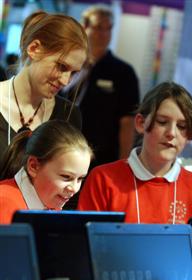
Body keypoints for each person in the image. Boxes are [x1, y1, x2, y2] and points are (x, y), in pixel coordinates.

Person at [78, 81, 192, 224]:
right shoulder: (103, 179)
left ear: (189, 135)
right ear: (140, 123)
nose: (171, 133)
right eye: (162, 122)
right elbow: (87, 241)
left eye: (182, 126)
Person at [0, 10, 89, 167]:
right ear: (34, 48)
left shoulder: (68, 114)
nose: (66, 81)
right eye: (61, 66)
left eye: (73, 73)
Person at [62, 4, 140, 168]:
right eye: (98, 27)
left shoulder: (123, 72)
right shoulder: (70, 65)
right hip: (62, 149)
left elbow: (128, 122)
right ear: (85, 28)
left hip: (101, 159)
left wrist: (123, 163)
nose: (103, 34)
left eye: (108, 28)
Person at [0, 119, 93, 224]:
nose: (74, 188)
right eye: (66, 177)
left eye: (80, 179)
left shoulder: (51, 206)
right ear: (33, 166)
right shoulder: (4, 203)